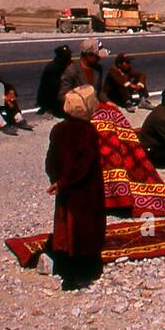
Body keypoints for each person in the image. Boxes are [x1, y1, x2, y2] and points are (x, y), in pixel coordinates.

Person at [44, 85, 107, 290]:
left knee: (65, 226)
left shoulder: (58, 129)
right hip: (84, 189)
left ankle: (66, 266)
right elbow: (84, 164)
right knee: (84, 230)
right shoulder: (88, 131)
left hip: (65, 187)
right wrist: (65, 182)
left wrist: (56, 181)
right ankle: (81, 273)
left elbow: (50, 159)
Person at [60, 38, 107, 106]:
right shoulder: (71, 71)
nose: (99, 58)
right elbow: (63, 95)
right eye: (97, 56)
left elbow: (99, 91)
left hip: (94, 106)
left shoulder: (98, 69)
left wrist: (107, 101)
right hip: (77, 109)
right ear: (88, 54)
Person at [37, 45, 72, 116]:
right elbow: (52, 88)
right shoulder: (54, 68)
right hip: (53, 99)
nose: (70, 57)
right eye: (68, 55)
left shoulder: (66, 65)